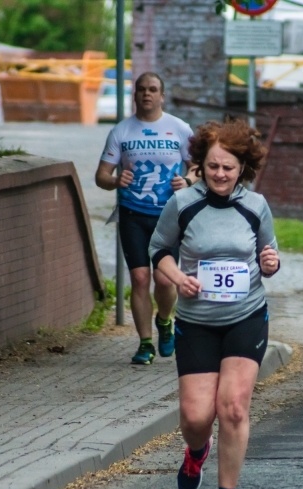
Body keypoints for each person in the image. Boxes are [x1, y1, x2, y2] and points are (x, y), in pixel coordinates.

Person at [149, 118, 279, 489]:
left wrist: (271, 263)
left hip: (246, 317)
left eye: (228, 167)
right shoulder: (184, 204)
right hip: (197, 321)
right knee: (195, 418)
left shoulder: (255, 206)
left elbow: (268, 255)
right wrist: (177, 277)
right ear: (200, 166)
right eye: (213, 167)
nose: (220, 174)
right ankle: (195, 452)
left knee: (234, 408)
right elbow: (159, 249)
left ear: (243, 167)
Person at [95, 72, 196, 365]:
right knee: (140, 278)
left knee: (164, 281)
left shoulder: (179, 129)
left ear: (161, 96)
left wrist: (188, 181)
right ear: (135, 95)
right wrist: (115, 180)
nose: (147, 94)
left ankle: (164, 321)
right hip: (133, 214)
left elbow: (199, 167)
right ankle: (144, 343)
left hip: (168, 216)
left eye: (153, 90)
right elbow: (101, 176)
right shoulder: (121, 132)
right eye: (141, 90)